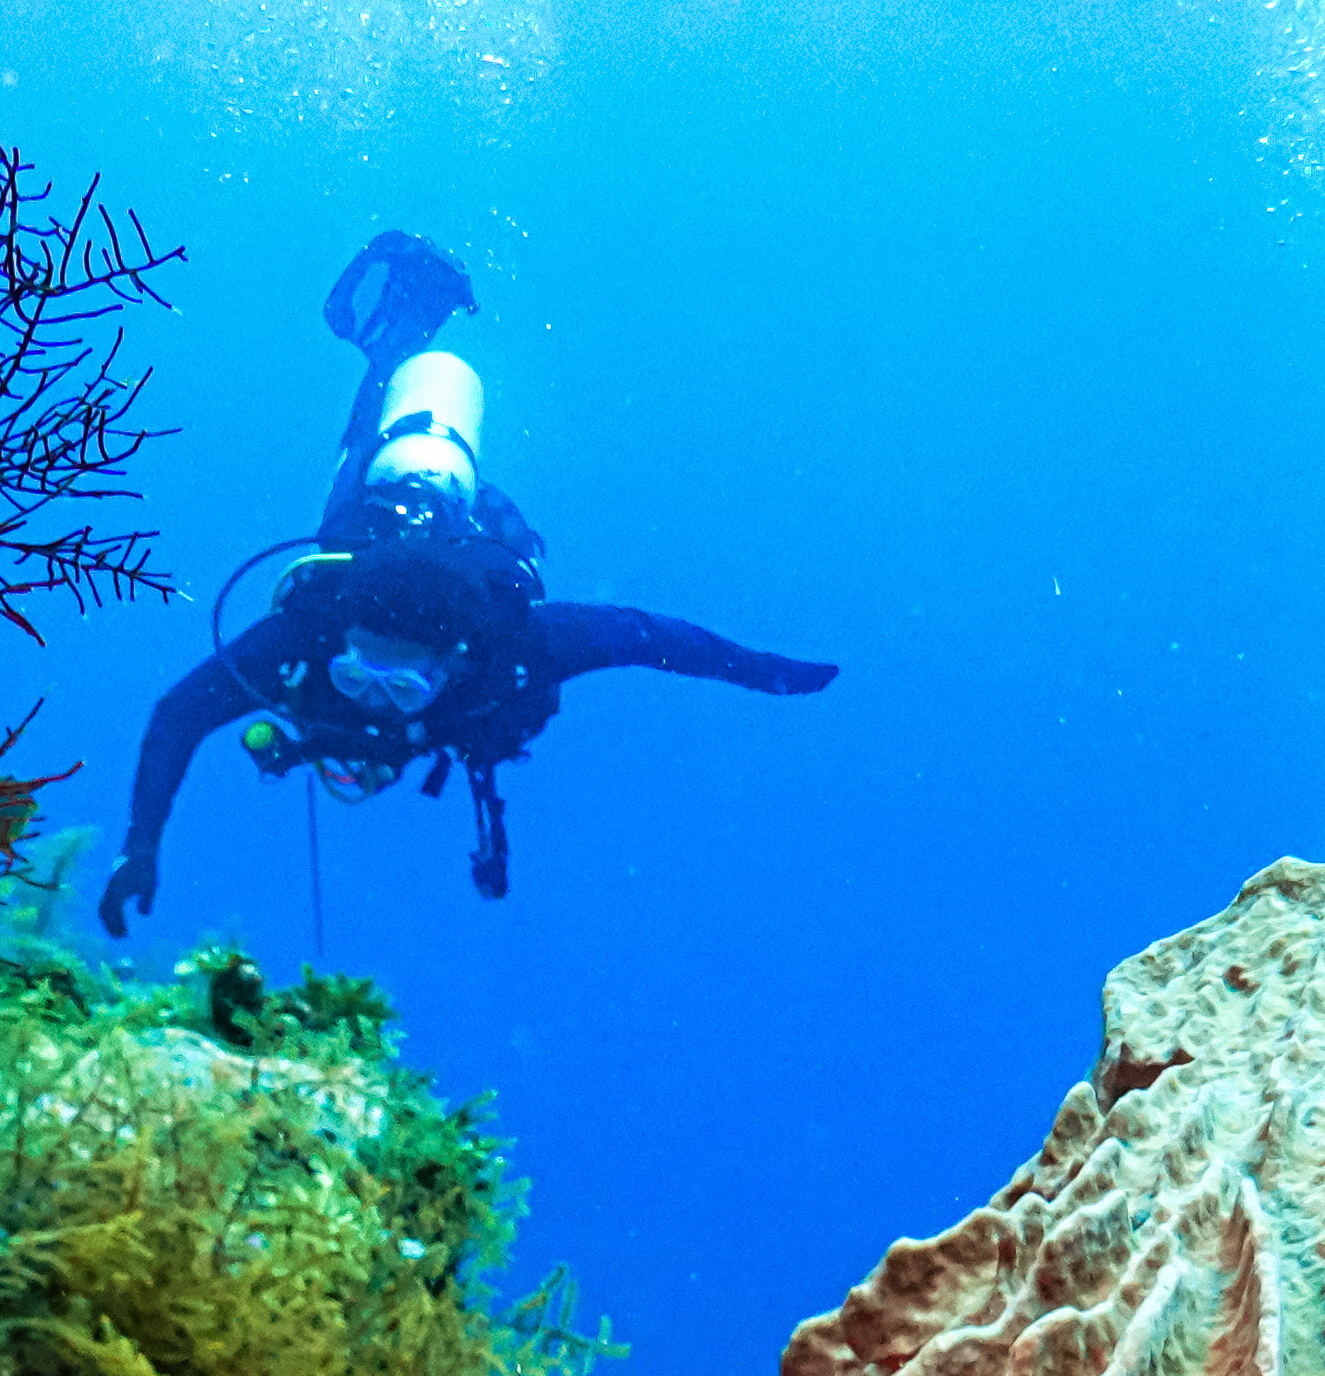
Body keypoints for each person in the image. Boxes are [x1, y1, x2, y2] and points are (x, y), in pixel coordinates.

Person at [95, 233, 837, 930]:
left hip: (458, 546)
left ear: (454, 664)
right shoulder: (313, 628)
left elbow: (646, 636)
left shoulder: (514, 645)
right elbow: (179, 713)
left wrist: (766, 672)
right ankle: (397, 351)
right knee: (362, 472)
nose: (378, 700)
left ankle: (400, 360)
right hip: (371, 532)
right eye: (357, 675)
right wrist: (141, 844)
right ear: (335, 641)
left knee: (379, 462)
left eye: (405, 687)